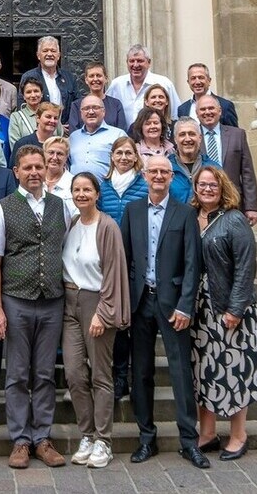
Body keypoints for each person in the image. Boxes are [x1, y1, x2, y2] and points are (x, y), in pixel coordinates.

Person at [0, 145, 71, 469]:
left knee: (45, 374)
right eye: (28, 167)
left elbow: (63, 248)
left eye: (39, 166)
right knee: (18, 374)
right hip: (16, 300)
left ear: (46, 169)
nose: (34, 172)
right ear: (16, 172)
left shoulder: (60, 206)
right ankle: (20, 440)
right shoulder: (2, 208)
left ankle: (42, 438)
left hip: (52, 301)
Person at [120, 155, 208, 469]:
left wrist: (186, 305)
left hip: (173, 305)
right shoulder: (132, 211)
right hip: (140, 302)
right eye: (153, 171)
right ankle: (147, 438)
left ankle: (189, 442)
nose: (158, 176)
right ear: (144, 176)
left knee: (180, 371)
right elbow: (124, 259)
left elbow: (193, 263)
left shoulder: (185, 213)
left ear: (172, 177)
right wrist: (124, 303)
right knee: (141, 372)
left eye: (164, 171)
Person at [190, 166, 257, 461]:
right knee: (204, 370)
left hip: (229, 306)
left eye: (213, 184)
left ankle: (238, 435)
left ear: (223, 188)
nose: (207, 189)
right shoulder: (191, 216)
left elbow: (246, 267)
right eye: (202, 184)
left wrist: (236, 308)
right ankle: (207, 433)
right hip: (200, 309)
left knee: (235, 370)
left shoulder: (234, 219)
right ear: (195, 187)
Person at [62, 172, 130, 469]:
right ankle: (87, 435)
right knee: (74, 374)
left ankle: (104, 440)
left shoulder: (108, 227)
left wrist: (103, 311)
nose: (81, 194)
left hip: (97, 302)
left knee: (101, 375)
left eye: (87, 190)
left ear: (97, 194)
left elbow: (115, 272)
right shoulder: (72, 223)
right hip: (69, 304)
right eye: (76, 190)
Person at [96, 137, 148, 400]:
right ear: (112, 156)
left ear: (136, 157)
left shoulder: (144, 185)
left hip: (136, 260)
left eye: (129, 153)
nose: (124, 158)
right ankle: (117, 376)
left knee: (133, 322)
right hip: (107, 261)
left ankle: (133, 376)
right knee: (113, 321)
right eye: (119, 153)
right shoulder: (102, 187)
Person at [196, 95, 257, 226]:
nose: (207, 112)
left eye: (211, 108)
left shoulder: (238, 135)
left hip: (233, 201)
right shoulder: (192, 137)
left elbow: (247, 173)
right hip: (203, 202)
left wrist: (252, 207)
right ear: (197, 114)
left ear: (219, 111)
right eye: (202, 109)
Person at [106, 45, 180, 126]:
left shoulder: (164, 83)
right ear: (127, 62)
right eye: (131, 61)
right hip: (124, 134)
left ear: (149, 62)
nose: (135, 65)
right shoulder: (117, 85)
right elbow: (107, 111)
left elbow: (176, 115)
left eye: (140, 61)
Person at [19, 36, 79, 128]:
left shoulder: (69, 77)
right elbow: (22, 106)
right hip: (38, 130)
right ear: (38, 55)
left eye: (53, 51)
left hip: (66, 131)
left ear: (58, 55)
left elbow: (76, 105)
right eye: (45, 51)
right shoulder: (28, 77)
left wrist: (67, 125)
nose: (49, 54)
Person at [68, 95, 127, 178]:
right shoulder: (73, 137)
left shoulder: (118, 135)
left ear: (104, 111)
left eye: (95, 108)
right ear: (81, 113)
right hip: (75, 185)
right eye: (86, 108)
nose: (91, 112)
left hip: (107, 185)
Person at [170, 117, 221, 204]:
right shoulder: (165, 169)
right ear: (175, 139)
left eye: (192, 134)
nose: (187, 139)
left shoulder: (214, 168)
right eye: (182, 134)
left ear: (200, 138)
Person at [68, 62, 126, 132]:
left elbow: (121, 132)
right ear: (86, 80)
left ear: (106, 79)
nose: (95, 79)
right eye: (91, 76)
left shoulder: (116, 104)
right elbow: (74, 133)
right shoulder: (76, 106)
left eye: (99, 75)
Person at [177, 63, 238, 127]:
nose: (197, 82)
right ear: (188, 82)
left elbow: (233, 132)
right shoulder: (182, 109)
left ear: (209, 80)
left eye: (201, 77)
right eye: (193, 78)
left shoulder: (225, 106)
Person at [8, 77, 63, 148]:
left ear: (42, 94)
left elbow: (60, 139)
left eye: (36, 91)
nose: (33, 95)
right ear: (23, 96)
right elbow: (15, 145)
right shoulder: (16, 117)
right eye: (28, 92)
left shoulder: (53, 115)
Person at [42, 136, 77, 217]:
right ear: (44, 154)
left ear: (66, 157)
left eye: (60, 154)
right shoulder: (36, 180)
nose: (54, 157)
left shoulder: (74, 183)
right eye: (51, 152)